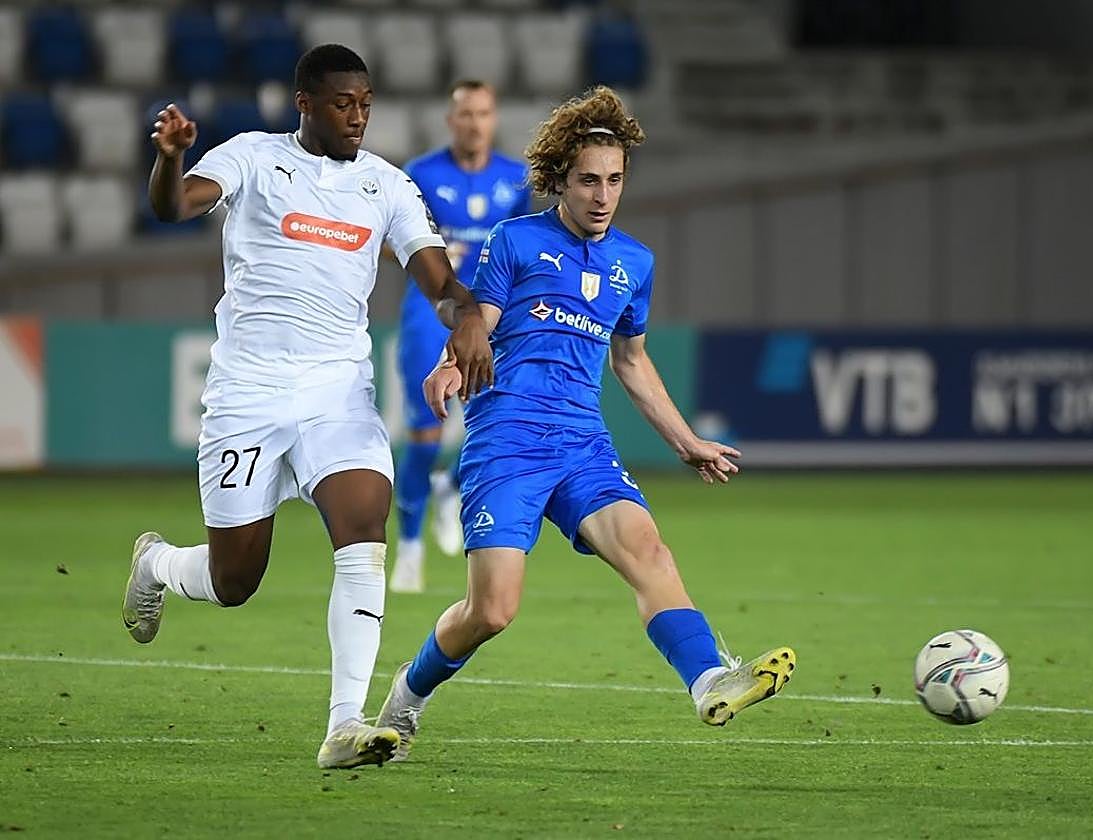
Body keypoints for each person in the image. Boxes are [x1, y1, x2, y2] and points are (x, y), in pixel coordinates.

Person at [374, 87, 795, 761]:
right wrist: (455, 360)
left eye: (615, 181)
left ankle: (710, 679)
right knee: (492, 612)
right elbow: (475, 316)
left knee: (650, 553)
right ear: (560, 181)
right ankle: (409, 693)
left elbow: (631, 359)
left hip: (581, 445)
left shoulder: (635, 262)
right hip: (506, 441)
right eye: (589, 181)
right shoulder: (515, 240)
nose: (603, 195)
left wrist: (684, 442)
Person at [119, 44, 492, 770]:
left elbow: (437, 277)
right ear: (305, 104)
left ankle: (345, 725)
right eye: (342, 103)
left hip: (336, 394)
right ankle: (158, 564)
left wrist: (469, 314)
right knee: (235, 582)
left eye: (365, 103)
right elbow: (172, 206)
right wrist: (168, 158)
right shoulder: (253, 157)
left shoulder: (387, 185)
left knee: (364, 528)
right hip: (247, 395)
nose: (357, 116)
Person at [391, 80, 532, 594]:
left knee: (491, 428)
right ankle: (409, 547)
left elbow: (524, 246)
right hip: (432, 311)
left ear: (493, 120)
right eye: (465, 114)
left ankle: (450, 488)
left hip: (492, 314)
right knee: (425, 434)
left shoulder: (516, 180)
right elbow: (391, 240)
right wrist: (429, 256)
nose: (474, 123)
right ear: (451, 121)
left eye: (483, 113)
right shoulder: (421, 174)